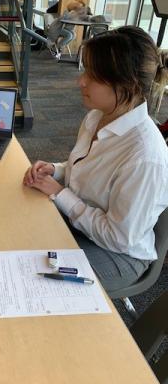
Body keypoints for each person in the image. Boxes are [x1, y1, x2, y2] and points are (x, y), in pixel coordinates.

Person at [23, 26, 168, 291]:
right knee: (21, 234)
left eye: (93, 75)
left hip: (118, 254)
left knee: (31, 277)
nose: (81, 81)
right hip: (83, 223)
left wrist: (60, 194)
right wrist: (55, 170)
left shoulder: (145, 156)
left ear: (128, 86)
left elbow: (118, 238)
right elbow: (88, 170)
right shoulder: (97, 116)